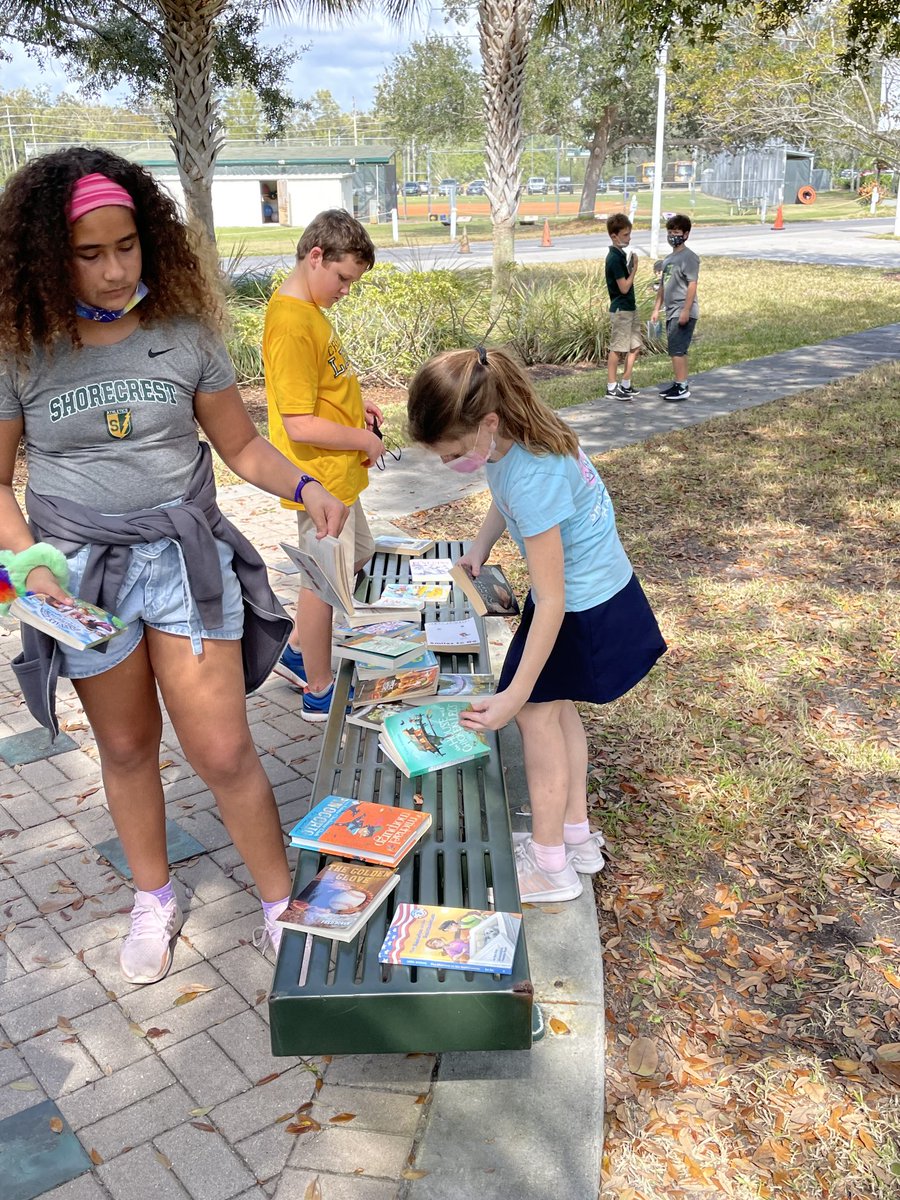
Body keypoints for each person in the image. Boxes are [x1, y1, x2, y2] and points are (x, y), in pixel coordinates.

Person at [0, 148, 348, 985]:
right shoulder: (22, 349)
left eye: (128, 246)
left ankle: (278, 904)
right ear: (48, 257)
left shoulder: (186, 335)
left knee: (225, 750)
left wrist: (305, 485)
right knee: (123, 746)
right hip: (78, 576)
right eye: (91, 254)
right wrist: (31, 569)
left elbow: (239, 445)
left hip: (183, 563)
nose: (116, 270)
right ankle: (152, 898)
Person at [406, 347, 666, 903]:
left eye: (452, 454)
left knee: (535, 715)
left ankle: (550, 865)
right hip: (596, 595)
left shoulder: (533, 475)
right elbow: (500, 495)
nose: (450, 465)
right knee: (558, 706)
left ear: (486, 424)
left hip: (580, 606)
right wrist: (480, 547)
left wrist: (513, 695)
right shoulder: (517, 436)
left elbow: (549, 600)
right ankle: (574, 834)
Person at [264, 209, 384, 721]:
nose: (345, 290)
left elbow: (324, 390)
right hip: (318, 482)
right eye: (343, 279)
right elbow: (299, 424)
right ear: (316, 256)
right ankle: (318, 687)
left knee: (357, 558)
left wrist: (360, 410)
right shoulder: (291, 322)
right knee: (323, 585)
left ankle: (296, 648)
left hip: (340, 477)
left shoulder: (310, 310)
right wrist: (360, 436)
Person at [650, 213, 700, 402]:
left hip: (682, 309)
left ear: (686, 234)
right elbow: (663, 286)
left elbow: (692, 284)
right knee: (677, 348)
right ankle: (680, 382)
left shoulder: (689, 258)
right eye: (670, 232)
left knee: (676, 349)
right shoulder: (669, 259)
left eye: (677, 232)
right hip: (671, 310)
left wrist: (686, 310)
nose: (673, 235)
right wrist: (656, 308)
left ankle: (682, 387)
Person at [604, 213, 641, 401]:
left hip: (630, 307)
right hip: (621, 309)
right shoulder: (614, 258)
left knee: (635, 346)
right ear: (614, 236)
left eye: (629, 234)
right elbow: (624, 287)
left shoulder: (620, 255)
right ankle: (611, 386)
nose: (628, 238)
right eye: (625, 235)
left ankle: (625, 382)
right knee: (617, 348)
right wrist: (634, 268)